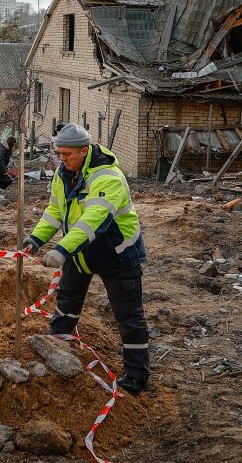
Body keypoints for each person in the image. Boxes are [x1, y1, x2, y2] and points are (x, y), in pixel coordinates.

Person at [21, 123, 150, 394]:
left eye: (67, 154)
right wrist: (37, 238)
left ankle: (136, 376)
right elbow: (55, 210)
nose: (61, 159)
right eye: (59, 154)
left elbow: (94, 219)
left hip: (118, 254)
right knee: (66, 303)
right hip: (81, 252)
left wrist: (62, 249)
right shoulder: (63, 173)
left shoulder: (108, 177)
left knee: (128, 316)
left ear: (84, 150)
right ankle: (57, 348)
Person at [0, 136, 17, 202]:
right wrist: (5, 171)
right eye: (14, 144)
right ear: (11, 143)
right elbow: (0, 160)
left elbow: (3, 161)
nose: (14, 145)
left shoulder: (6, 148)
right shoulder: (4, 149)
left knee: (0, 181)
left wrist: (6, 169)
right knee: (9, 180)